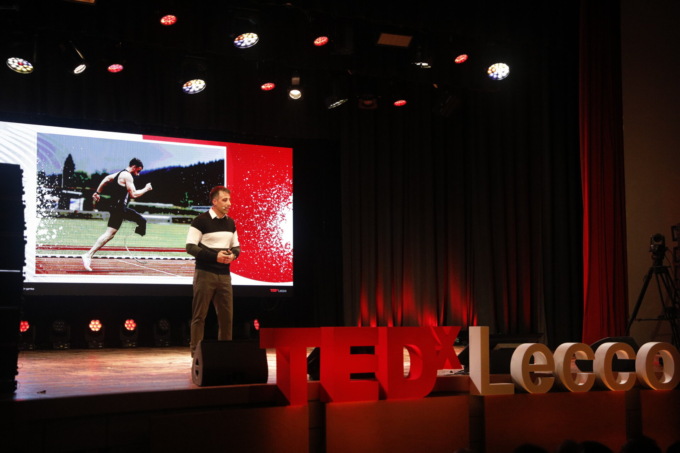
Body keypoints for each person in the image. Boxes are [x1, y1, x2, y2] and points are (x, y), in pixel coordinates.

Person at [186, 186, 240, 357]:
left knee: (226, 318)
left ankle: (225, 354)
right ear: (215, 201)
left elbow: (236, 247)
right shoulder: (200, 221)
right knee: (199, 316)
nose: (229, 203)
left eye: (229, 200)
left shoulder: (231, 223)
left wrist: (233, 256)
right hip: (205, 274)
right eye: (225, 200)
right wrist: (215, 256)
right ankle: (196, 354)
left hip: (224, 276)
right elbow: (190, 247)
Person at [82, 158, 153, 271]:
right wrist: (146, 189)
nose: (138, 174)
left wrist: (97, 192)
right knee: (140, 221)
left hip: (116, 207)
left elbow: (106, 179)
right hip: (119, 208)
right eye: (138, 171)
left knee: (110, 234)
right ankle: (88, 255)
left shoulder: (119, 173)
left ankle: (88, 255)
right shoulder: (127, 176)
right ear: (134, 167)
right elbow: (134, 194)